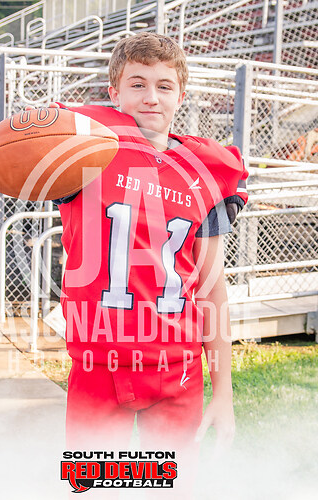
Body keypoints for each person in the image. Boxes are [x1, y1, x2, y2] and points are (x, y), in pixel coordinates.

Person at [52, 32, 248, 498]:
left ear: (181, 95)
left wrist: (223, 392)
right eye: (137, 84)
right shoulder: (81, 153)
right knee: (90, 486)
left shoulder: (204, 171)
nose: (151, 97)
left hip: (176, 365)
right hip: (98, 360)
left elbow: (211, 287)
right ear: (113, 92)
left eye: (164, 86)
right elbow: (30, 137)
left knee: (172, 487)